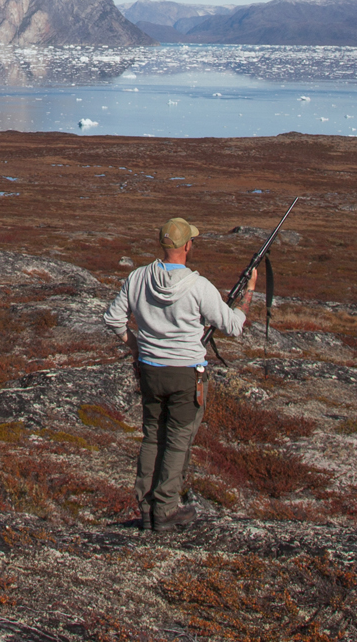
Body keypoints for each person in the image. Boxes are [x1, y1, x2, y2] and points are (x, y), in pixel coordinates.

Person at [103, 215, 255, 532]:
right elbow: (234, 326)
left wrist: (135, 346)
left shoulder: (137, 278)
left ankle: (147, 509)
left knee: (152, 438)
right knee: (176, 442)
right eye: (192, 240)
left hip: (150, 371)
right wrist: (248, 295)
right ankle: (166, 510)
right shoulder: (199, 286)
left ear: (163, 244)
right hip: (186, 375)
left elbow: (113, 319)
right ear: (187, 245)